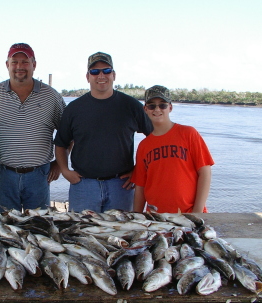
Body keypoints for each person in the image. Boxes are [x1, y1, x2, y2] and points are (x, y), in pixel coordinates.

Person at [54, 52, 153, 213]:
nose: (101, 75)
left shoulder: (131, 106)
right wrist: (65, 171)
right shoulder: (74, 109)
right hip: (83, 185)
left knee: (120, 234)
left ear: (113, 75)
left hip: (121, 187)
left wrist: (138, 171)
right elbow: (61, 144)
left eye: (106, 71)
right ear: (88, 77)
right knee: (81, 234)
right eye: (95, 72)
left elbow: (154, 140)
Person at [0, 43, 66, 213]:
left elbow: (68, 133)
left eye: (25, 62)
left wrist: (60, 165)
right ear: (7, 64)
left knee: (39, 226)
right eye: (14, 62)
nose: (19, 67)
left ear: (34, 65)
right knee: (5, 228)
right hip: (3, 174)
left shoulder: (51, 96)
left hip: (39, 175)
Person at [132, 85, 214, 213]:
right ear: (145, 109)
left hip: (189, 215)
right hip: (155, 218)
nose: (157, 109)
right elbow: (140, 186)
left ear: (170, 107)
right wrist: (136, 216)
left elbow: (205, 173)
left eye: (162, 105)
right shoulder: (144, 146)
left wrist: (197, 213)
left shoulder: (189, 134)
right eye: (152, 105)